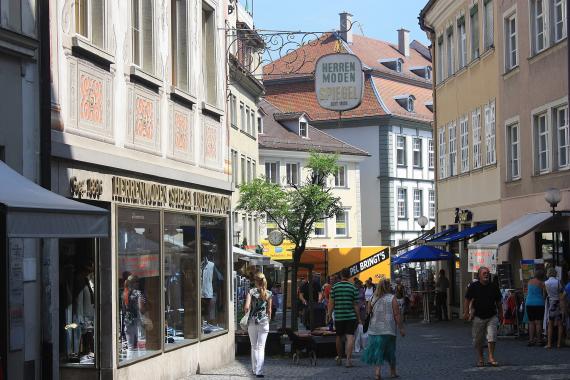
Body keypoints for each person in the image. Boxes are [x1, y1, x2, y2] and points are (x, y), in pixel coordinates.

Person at [361, 279, 405, 380]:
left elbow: (368, 312)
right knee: (390, 351)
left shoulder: (372, 297)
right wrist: (401, 328)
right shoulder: (392, 298)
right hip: (388, 329)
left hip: (375, 329)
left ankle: (377, 372)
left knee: (377, 350)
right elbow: (397, 314)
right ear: (388, 286)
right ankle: (393, 372)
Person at [464, 266, 503, 367]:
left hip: (492, 316)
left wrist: (501, 313)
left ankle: (491, 357)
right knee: (479, 339)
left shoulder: (494, 286)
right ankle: (481, 359)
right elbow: (467, 299)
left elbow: (498, 302)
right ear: (479, 275)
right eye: (484, 273)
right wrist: (466, 312)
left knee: (492, 337)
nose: (487, 275)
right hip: (478, 317)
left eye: (488, 273)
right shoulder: (473, 286)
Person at [327, 268, 362, 368]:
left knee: (338, 336)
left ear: (341, 275)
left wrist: (329, 315)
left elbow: (331, 303)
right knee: (350, 337)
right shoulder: (353, 287)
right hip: (350, 317)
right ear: (349, 275)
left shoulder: (334, 287)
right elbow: (356, 305)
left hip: (339, 316)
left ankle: (339, 357)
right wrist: (359, 318)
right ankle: (348, 360)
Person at [244, 272, 272, 378]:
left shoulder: (251, 292)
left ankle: (254, 369)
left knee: (254, 346)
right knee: (261, 347)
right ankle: (259, 371)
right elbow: (269, 310)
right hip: (264, 322)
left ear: (255, 281)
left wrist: (246, 314)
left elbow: (246, 307)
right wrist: (267, 320)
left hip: (252, 321)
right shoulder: (269, 293)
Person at [122, 275, 146, 358]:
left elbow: (123, 310)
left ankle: (129, 363)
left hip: (127, 321)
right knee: (141, 345)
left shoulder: (124, 294)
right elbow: (141, 309)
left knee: (130, 347)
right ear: (134, 283)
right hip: (137, 321)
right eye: (137, 282)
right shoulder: (137, 293)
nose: (138, 283)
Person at [525, 269, 546, 346]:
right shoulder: (542, 283)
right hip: (539, 303)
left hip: (529, 303)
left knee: (531, 322)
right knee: (538, 322)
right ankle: (539, 340)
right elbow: (544, 294)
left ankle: (531, 340)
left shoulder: (529, 282)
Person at [544, 267, 564, 349]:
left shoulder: (546, 283)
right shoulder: (558, 282)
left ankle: (549, 344)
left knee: (550, 324)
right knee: (560, 324)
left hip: (551, 304)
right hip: (558, 304)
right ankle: (559, 344)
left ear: (548, 273)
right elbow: (562, 293)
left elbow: (545, 294)